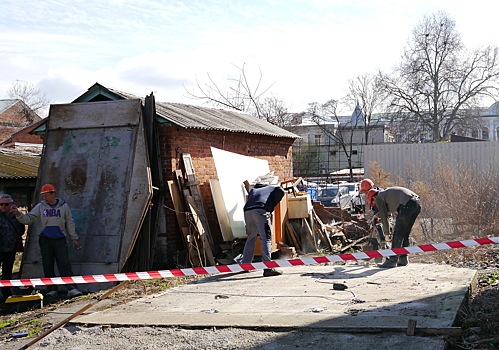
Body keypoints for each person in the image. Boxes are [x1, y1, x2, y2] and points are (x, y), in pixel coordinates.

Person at [11, 184, 82, 297]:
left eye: (47, 196)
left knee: (64, 264)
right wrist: (18, 214)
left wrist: (74, 238)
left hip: (60, 239)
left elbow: (69, 222)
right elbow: (28, 219)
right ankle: (51, 289)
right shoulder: (40, 206)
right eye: (43, 196)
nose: (45, 198)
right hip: (45, 239)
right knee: (47, 264)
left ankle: (71, 288)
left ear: (53, 194)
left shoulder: (63, 206)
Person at [366, 187, 421, 268]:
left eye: (373, 203)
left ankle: (392, 260)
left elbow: (385, 218)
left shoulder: (379, 198)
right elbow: (386, 211)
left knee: (397, 234)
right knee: (405, 233)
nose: (375, 205)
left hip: (407, 205)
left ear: (374, 198)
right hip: (416, 204)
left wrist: (387, 234)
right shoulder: (386, 194)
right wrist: (377, 215)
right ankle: (403, 258)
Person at [242, 183, 285, 277]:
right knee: (266, 238)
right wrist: (271, 207)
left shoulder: (253, 190)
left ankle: (245, 265)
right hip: (261, 211)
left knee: (251, 238)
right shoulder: (274, 188)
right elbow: (281, 191)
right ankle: (268, 268)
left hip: (247, 211)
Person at [0, 194, 25, 301]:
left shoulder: (16, 216)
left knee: (7, 273)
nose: (3, 206)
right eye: (1, 204)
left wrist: (18, 213)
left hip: (10, 249)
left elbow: (22, 230)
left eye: (6, 204)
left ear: (11, 205)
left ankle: (7, 295)